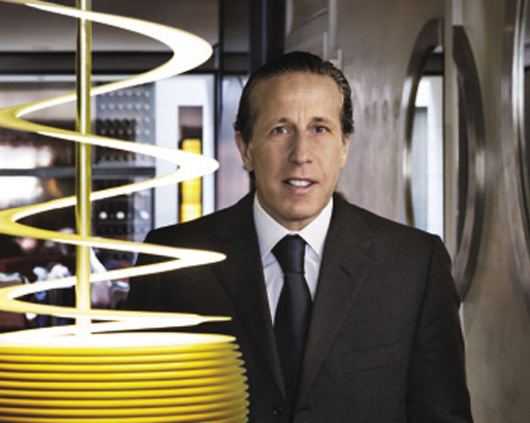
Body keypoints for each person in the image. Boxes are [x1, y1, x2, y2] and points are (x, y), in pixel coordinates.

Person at [126, 51, 472, 423]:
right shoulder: (171, 261)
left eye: (319, 129)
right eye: (281, 129)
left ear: (344, 146)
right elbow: (138, 408)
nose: (301, 154)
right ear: (245, 148)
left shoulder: (415, 265)